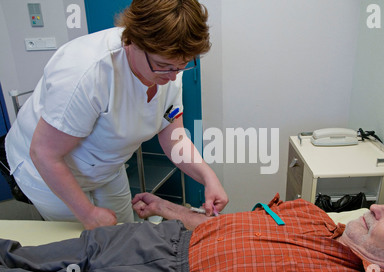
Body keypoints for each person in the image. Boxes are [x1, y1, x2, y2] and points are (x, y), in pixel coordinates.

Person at [4, 0, 227, 230]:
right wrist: (88, 214)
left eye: (180, 67)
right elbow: (44, 153)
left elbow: (174, 137)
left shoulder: (168, 65)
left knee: (123, 230)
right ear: (133, 42)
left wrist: (207, 177)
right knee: (85, 244)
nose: (172, 77)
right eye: (163, 66)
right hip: (50, 169)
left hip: (107, 165)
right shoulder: (86, 71)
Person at [0, 194, 384, 272]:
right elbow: (227, 223)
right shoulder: (310, 213)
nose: (375, 206)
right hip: (158, 237)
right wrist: (167, 207)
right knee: (18, 255)